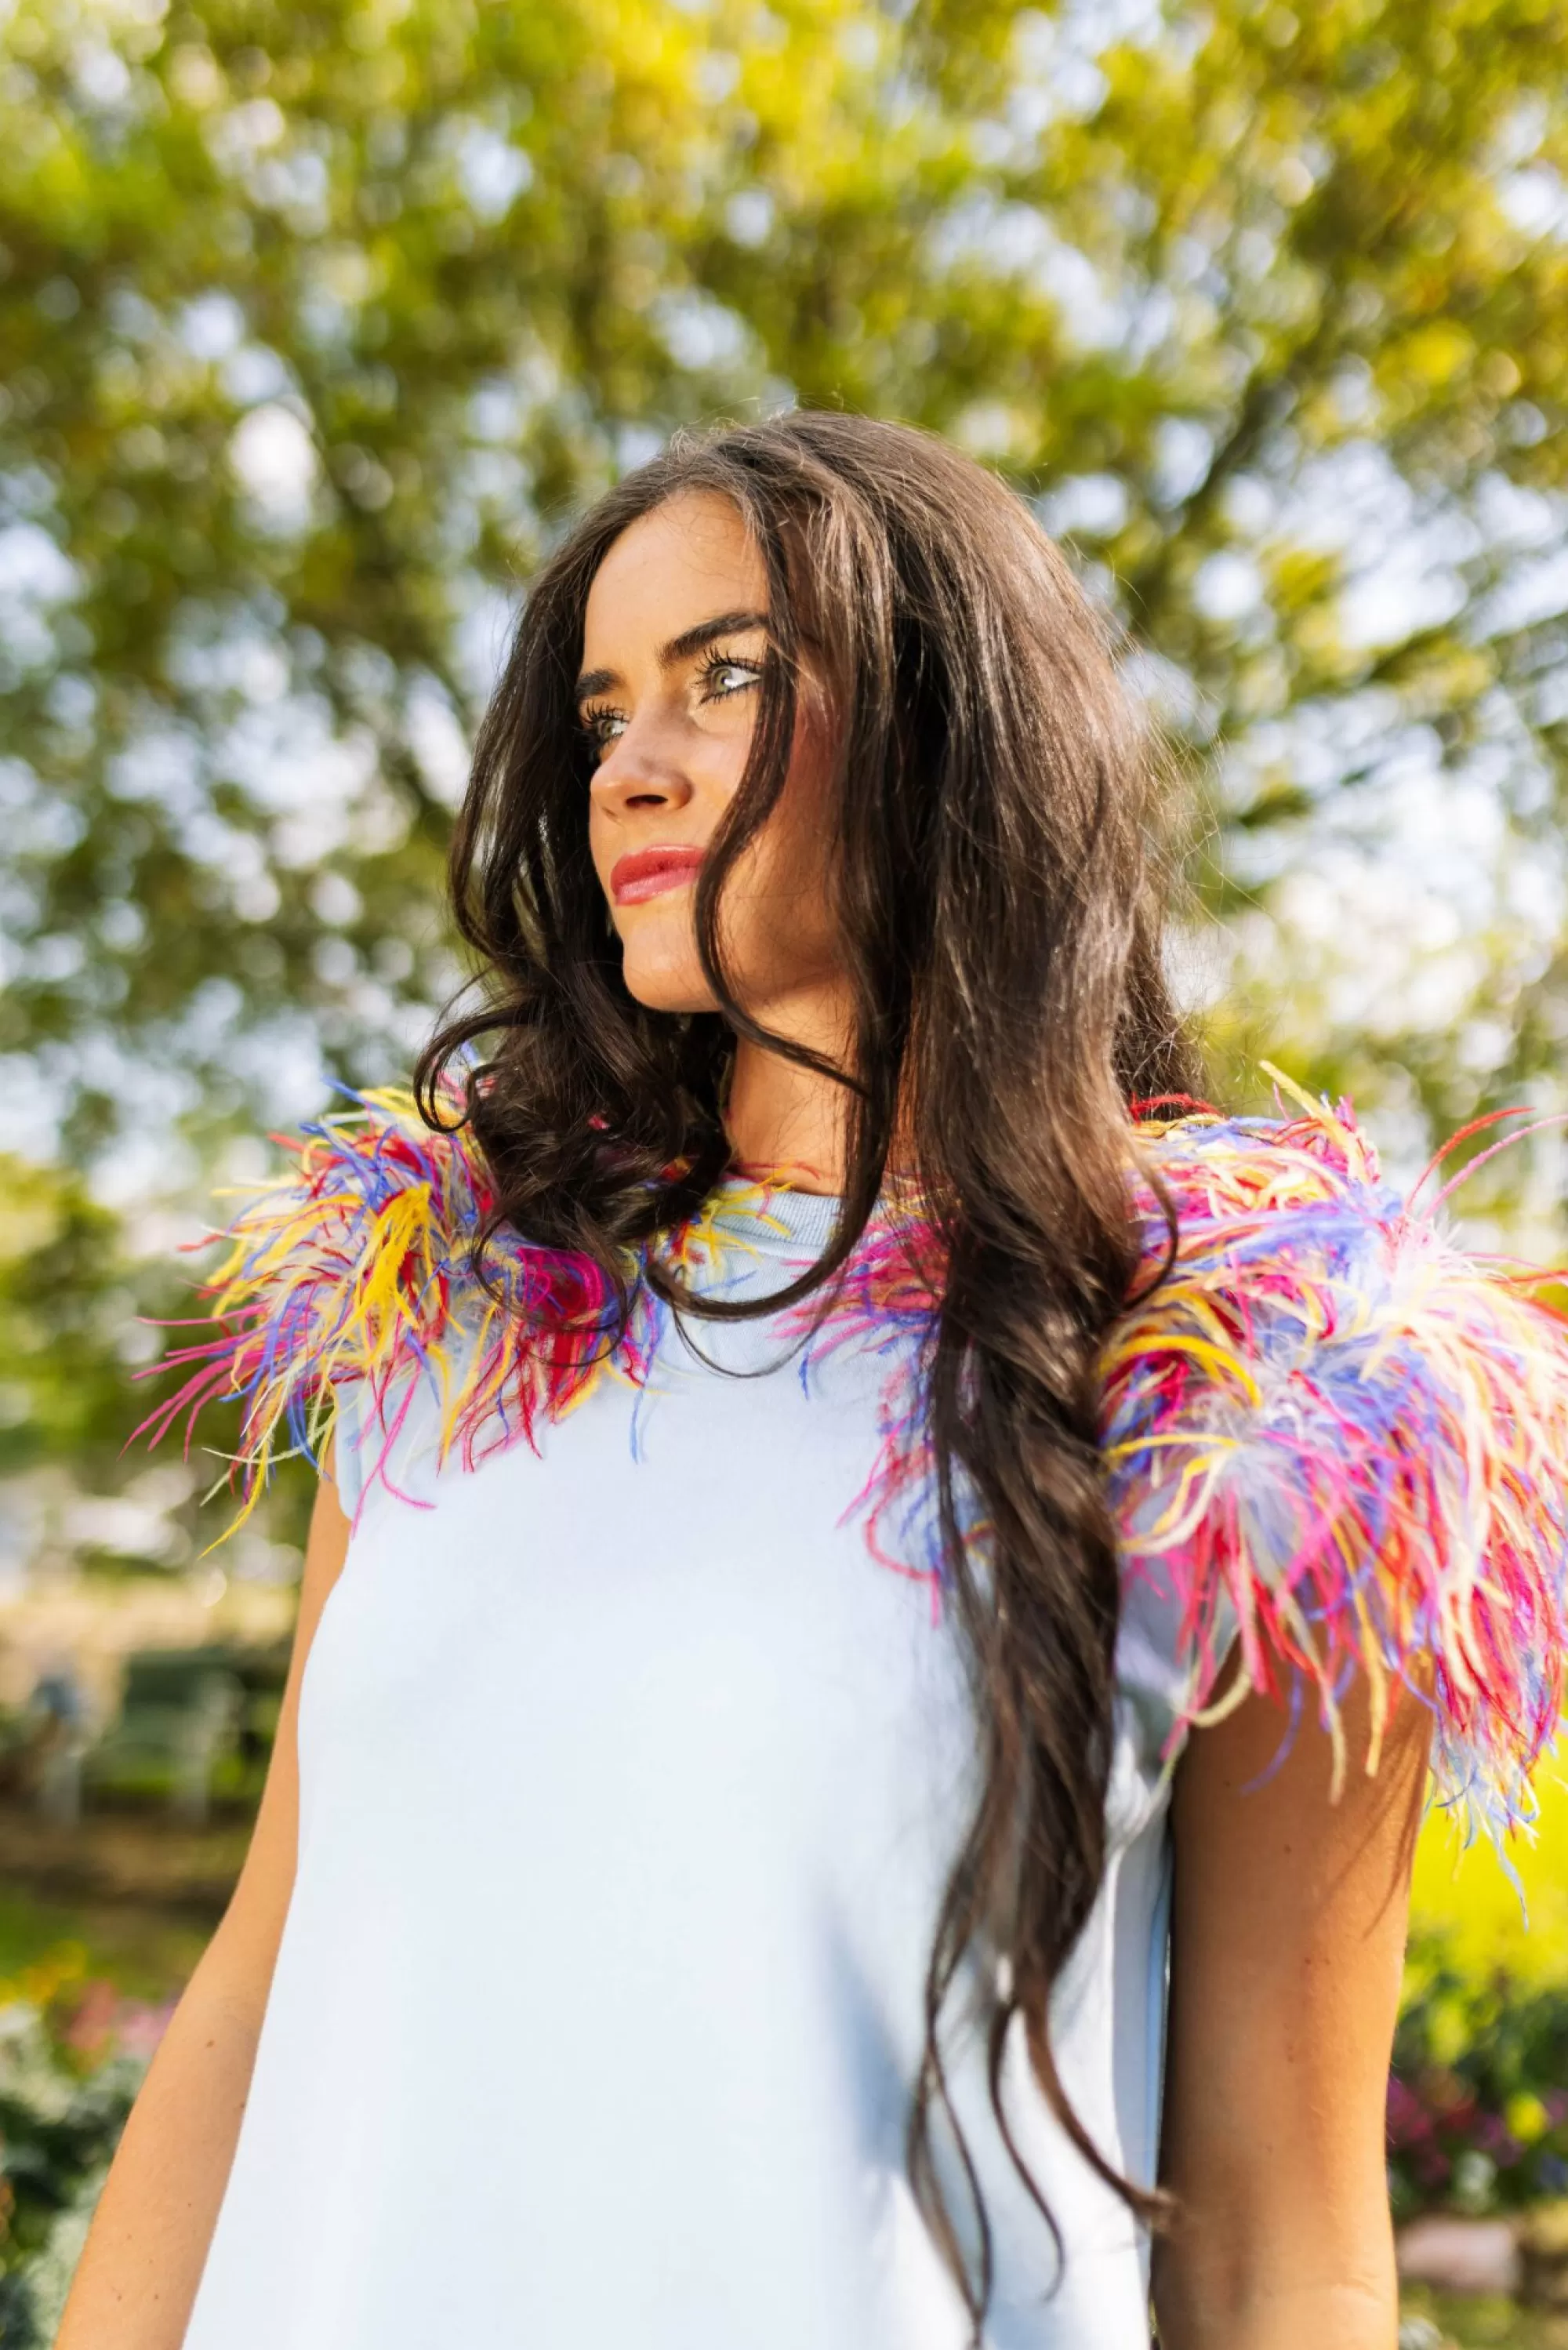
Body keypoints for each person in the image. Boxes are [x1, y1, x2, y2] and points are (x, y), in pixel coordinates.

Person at [60, 412, 1568, 2350]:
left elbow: (1284, 2243)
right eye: (602, 711)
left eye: (731, 675)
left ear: (958, 727)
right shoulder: (447, 1321)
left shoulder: (1274, 1393)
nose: (632, 768)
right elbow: (256, 1997)